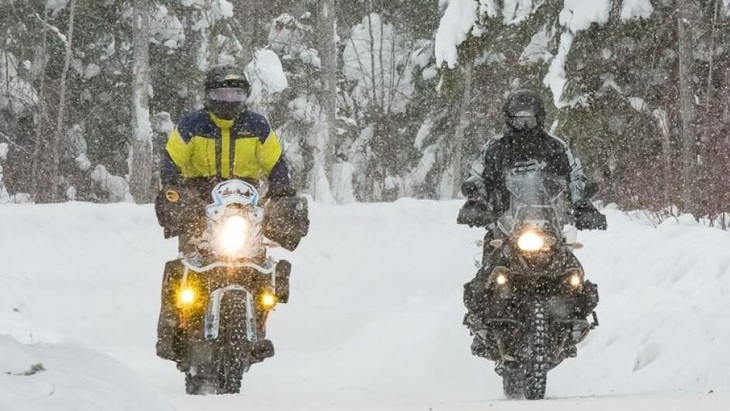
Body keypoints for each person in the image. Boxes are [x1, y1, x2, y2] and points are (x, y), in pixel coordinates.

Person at [154, 64, 305, 363]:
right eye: (222, 92)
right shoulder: (192, 125)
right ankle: (171, 333)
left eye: (235, 92)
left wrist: (283, 193)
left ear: (245, 95)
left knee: (265, 266)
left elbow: (276, 164)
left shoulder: (257, 127)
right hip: (198, 208)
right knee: (179, 269)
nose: (228, 99)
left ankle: (259, 329)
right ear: (209, 94)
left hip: (244, 209)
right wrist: (174, 191)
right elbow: (171, 160)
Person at [458, 89, 605, 358]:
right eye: (519, 118)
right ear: (508, 118)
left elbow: (575, 177)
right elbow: (476, 176)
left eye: (530, 118)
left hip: (549, 227)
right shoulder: (495, 148)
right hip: (505, 227)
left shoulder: (556, 147)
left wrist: (583, 204)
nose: (524, 124)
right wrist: (475, 201)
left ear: (540, 118)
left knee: (573, 273)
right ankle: (481, 324)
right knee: (486, 275)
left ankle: (574, 318)